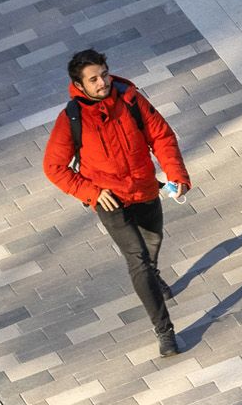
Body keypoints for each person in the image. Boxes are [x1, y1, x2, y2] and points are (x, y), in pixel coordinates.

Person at [42, 47, 195, 356]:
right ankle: (165, 332)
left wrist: (175, 173)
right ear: (79, 84)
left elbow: (161, 136)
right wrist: (93, 193)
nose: (102, 83)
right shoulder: (71, 118)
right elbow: (53, 167)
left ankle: (154, 279)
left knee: (153, 243)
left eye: (104, 74)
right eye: (94, 79)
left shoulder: (131, 100)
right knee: (137, 258)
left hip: (146, 189)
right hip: (109, 200)